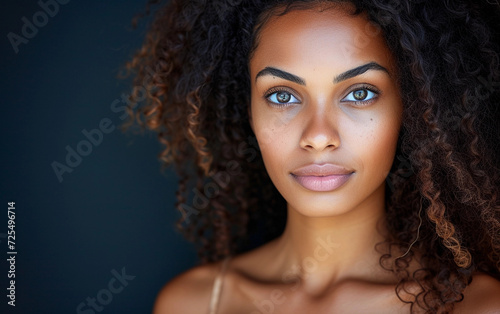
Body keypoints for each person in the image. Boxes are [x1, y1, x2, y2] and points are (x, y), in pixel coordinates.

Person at [125, 0, 500, 312]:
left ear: (412, 108)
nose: (319, 136)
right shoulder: (194, 304)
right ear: (249, 111)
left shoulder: (476, 306)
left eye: (360, 93)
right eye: (282, 96)